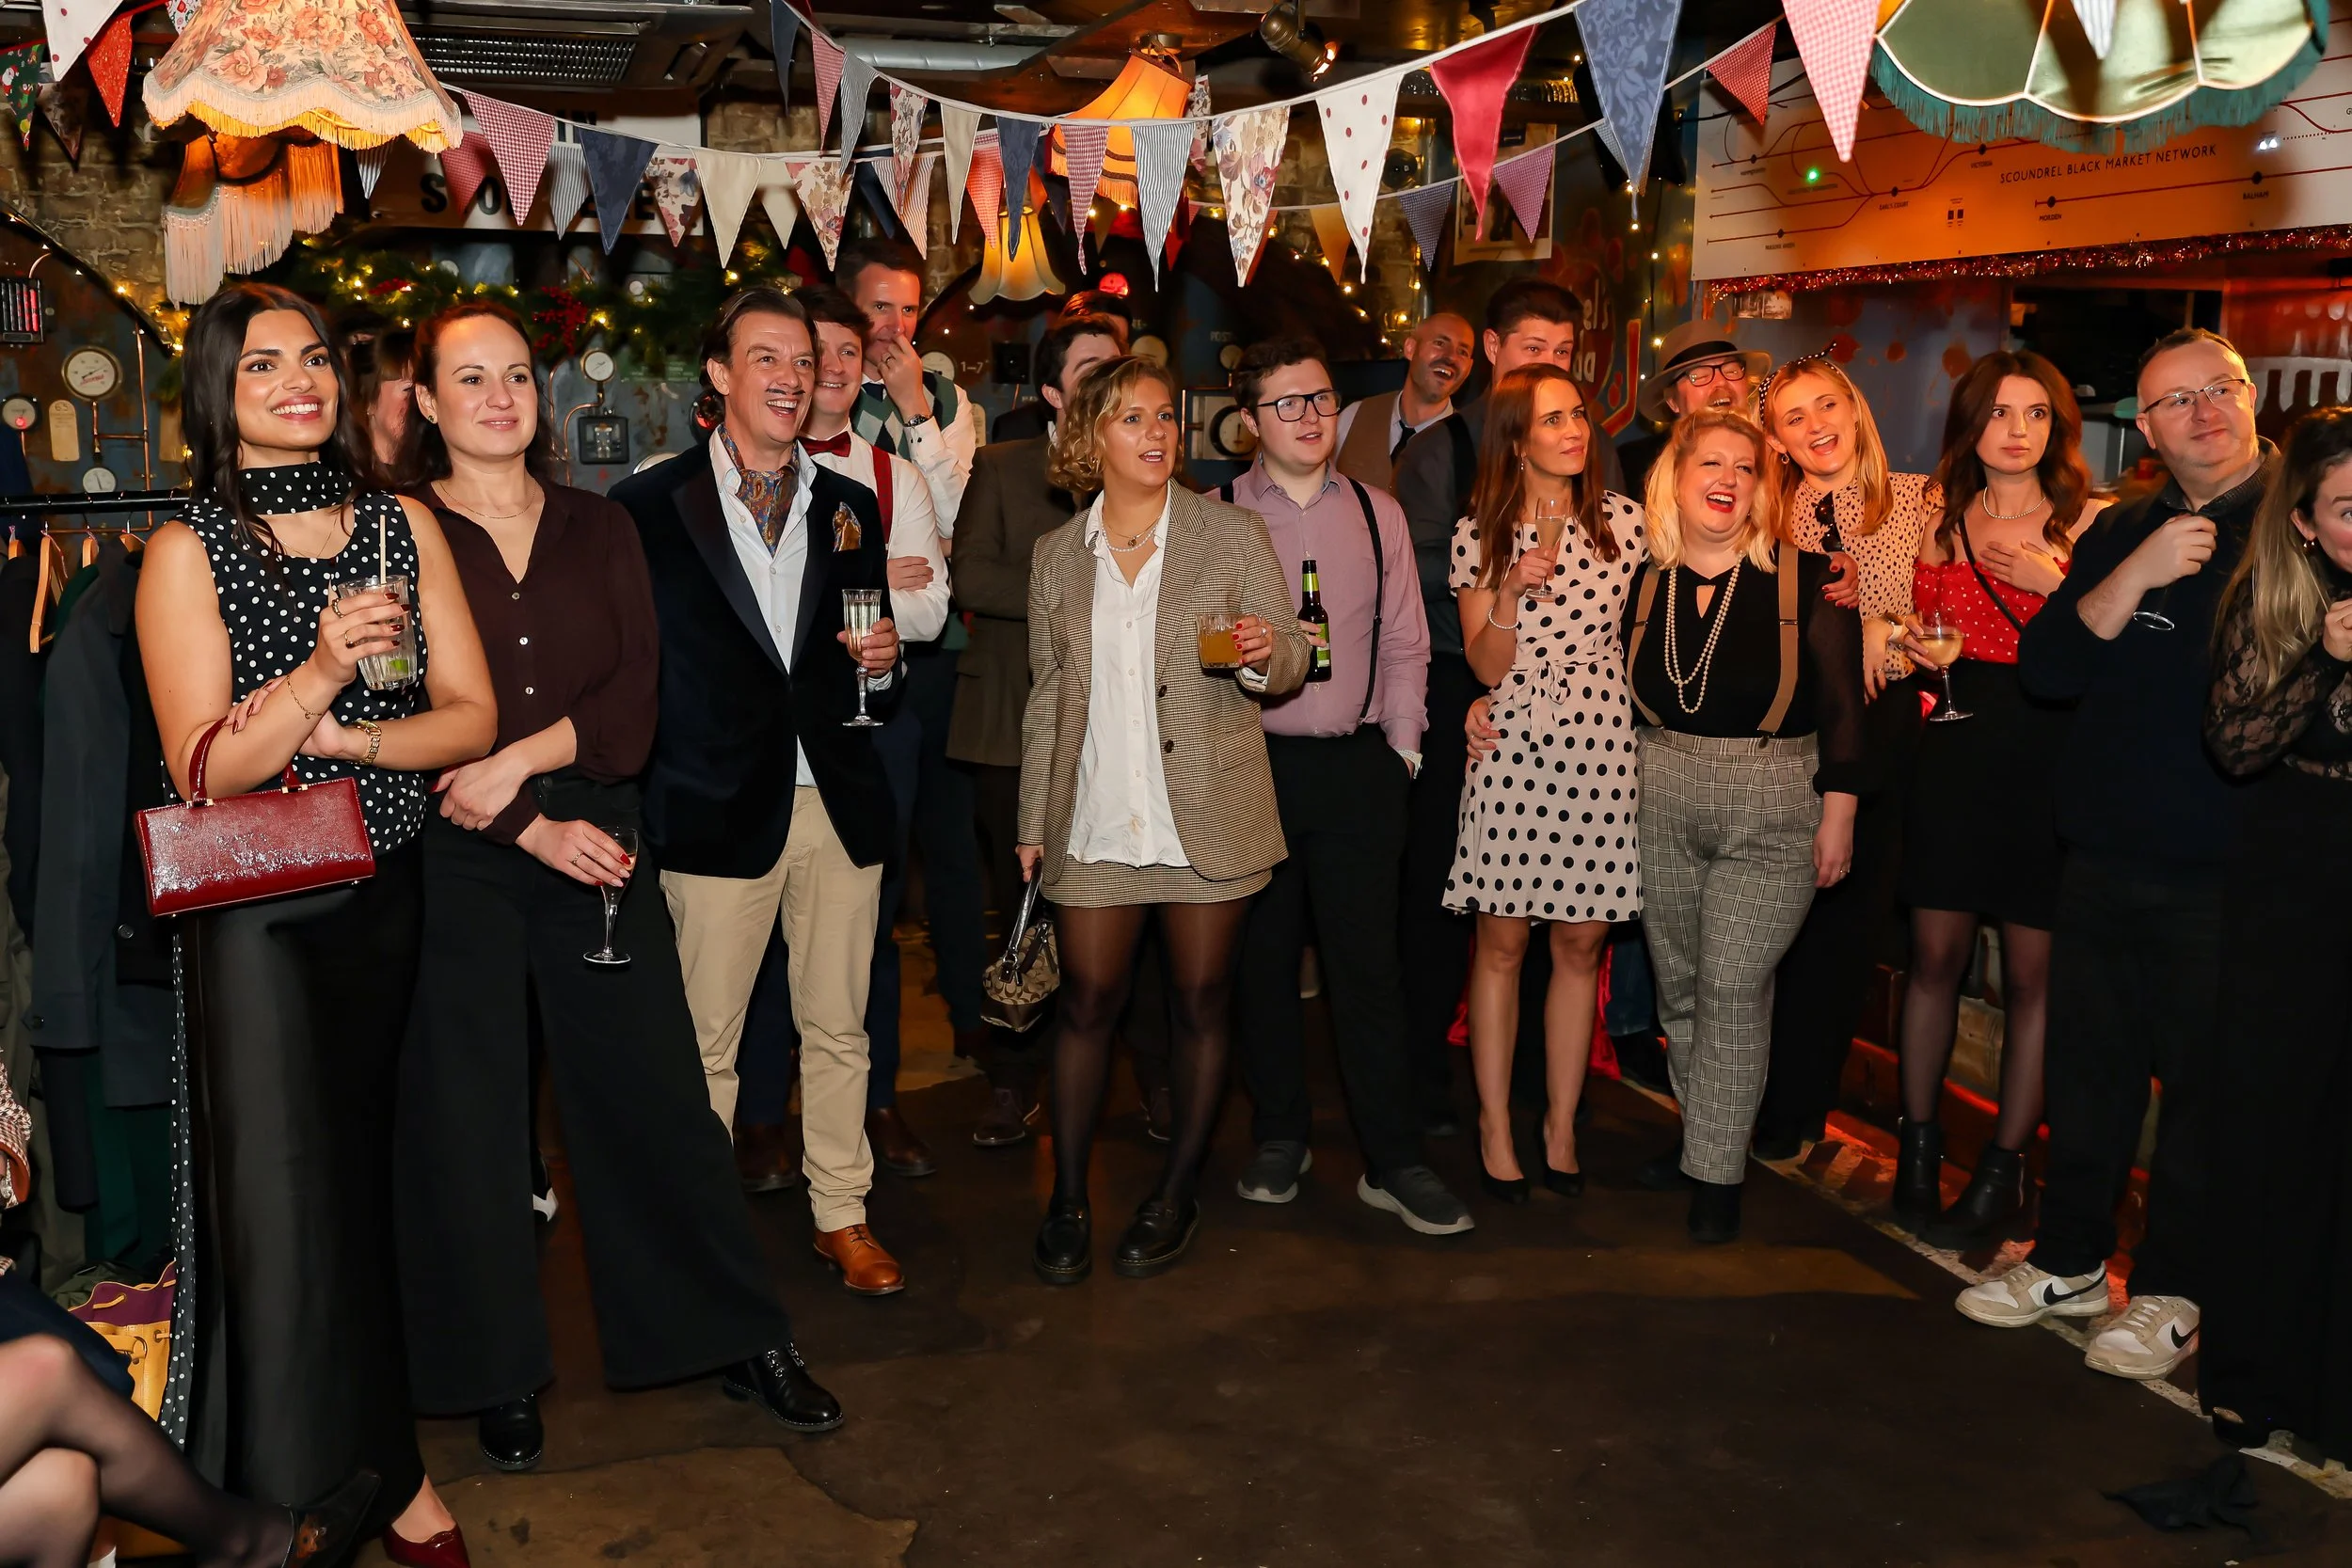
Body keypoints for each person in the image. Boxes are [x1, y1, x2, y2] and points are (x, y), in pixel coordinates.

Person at [389, 301, 838, 1477]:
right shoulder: (401, 533)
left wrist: (528, 766)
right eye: (470, 379)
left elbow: (636, 709)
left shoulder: (600, 526)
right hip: (461, 853)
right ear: (427, 403)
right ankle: (496, 1368)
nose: (500, 397)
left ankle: (737, 1334)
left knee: (657, 1100)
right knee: (473, 1118)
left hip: (600, 836)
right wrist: (529, 821)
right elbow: (396, 722)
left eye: (518, 376)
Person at [135, 283, 498, 1563]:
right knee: (284, 1212)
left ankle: (386, 1458)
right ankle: (295, 1500)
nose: (300, 381)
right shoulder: (188, 544)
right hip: (257, 921)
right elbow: (203, 767)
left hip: (382, 894)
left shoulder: (401, 523)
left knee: (364, 1192)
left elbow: (471, 716)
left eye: (313, 360)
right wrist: (322, 672)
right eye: (263, 366)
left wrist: (357, 735)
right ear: (218, 396)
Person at [1957, 327, 2270, 1383]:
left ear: (2250, 393)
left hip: (2229, 861)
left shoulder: (2298, 522)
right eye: (2175, 402)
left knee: (2201, 1087)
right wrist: (2133, 567)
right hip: (2100, 846)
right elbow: (2047, 665)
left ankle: (2177, 1288)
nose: (2203, 413)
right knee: (2088, 1071)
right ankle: (2072, 1257)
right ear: (2144, 426)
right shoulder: (2124, 526)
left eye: (2217, 390)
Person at [611, 288, 908, 1297]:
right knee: (705, 1041)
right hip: (710, 803)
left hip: (837, 794)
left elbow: (871, 673)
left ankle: (843, 1213)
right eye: (767, 357)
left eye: (807, 358)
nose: (792, 375)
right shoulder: (647, 509)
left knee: (838, 1023)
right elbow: (629, 665)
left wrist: (882, 662)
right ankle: (699, 1236)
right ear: (720, 376)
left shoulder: (848, 505)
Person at [1015, 356, 1308, 1283]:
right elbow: (1047, 695)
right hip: (1096, 811)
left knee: (1198, 1003)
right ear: (1090, 437)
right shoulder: (1058, 556)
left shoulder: (1229, 533)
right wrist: (1032, 819)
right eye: (1131, 417)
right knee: (1086, 1002)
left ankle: (1175, 1188)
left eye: (1163, 418)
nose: (1155, 432)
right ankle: (1066, 1195)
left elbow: (1292, 650)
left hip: (1205, 814)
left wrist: (1265, 654)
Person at [1217, 336, 1466, 1235]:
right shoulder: (1214, 515)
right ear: (1249, 421)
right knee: (1265, 964)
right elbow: (1199, 647)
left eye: (1321, 399)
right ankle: (1279, 1133)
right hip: (1257, 766)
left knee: (1371, 971)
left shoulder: (1377, 512)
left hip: (1362, 769)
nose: (1312, 416)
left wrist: (1402, 748)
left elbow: (1406, 640)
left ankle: (1392, 1158)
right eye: (1288, 403)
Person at [731, 286, 956, 1182]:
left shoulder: (888, 474)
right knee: (756, 923)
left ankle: (877, 1103)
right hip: (765, 730)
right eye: (806, 350)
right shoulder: (722, 470)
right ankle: (757, 1115)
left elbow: (932, 608)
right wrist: (867, 584)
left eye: (844, 353)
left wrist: (882, 593)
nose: (825, 368)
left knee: (867, 922)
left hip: (871, 724)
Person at [1622, 410, 1864, 1242]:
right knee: (1680, 984)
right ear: (1675, 479)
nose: (1728, 478)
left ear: (1764, 488)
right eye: (1710, 463)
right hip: (1661, 786)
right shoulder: (1645, 580)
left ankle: (1717, 1176)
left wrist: (1841, 811)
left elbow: (1841, 709)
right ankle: (1704, 1139)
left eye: (1746, 467)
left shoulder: (1809, 578)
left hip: (1775, 797)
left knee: (1732, 983)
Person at [1391, 279, 1623, 1134]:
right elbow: (1408, 587)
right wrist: (1481, 673)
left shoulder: (1598, 467)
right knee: (1453, 906)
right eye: (1533, 349)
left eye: (1563, 355)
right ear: (1493, 350)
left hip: (1581, 717)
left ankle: (1540, 1088)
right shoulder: (1442, 451)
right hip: (1464, 686)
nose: (1548, 370)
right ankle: (1427, 1083)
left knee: (1562, 920)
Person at [1893, 352, 2105, 1243]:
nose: (2017, 432)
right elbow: (1917, 629)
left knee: (2030, 977)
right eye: (1999, 414)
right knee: (1933, 958)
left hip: (2050, 751)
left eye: (2035, 415)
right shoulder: (1939, 520)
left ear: (2057, 429)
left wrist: (2057, 587)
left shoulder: (2089, 525)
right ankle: (1917, 1145)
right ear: (1970, 424)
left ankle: (2004, 1169)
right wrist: (1904, 641)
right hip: (1955, 746)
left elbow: (2115, 651)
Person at [1445, 364, 1645, 1203]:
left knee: (1580, 945)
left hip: (1603, 740)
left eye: (1579, 415)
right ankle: (1495, 1124)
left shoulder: (1627, 524)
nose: (1576, 431)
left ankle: (1561, 1123)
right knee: (1502, 946)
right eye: (1553, 419)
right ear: (1516, 440)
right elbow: (1486, 665)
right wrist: (1510, 593)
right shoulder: (1479, 533)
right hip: (1516, 737)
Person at [2201, 404, 2352, 1461]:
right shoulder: (2274, 599)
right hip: (2298, 888)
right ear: (2303, 523)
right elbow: (2235, 744)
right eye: (2349, 509)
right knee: (2278, 1133)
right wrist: (2323, 662)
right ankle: (2260, 1376)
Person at [947, 312, 1127, 1146]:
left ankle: (1126, 1073)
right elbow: (972, 576)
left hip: (1124, 728)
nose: (1108, 379)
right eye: (1091, 368)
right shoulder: (1004, 464)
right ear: (1053, 390)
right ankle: (1010, 1082)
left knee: (1115, 903)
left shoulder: (1153, 469)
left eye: (1118, 366)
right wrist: (1071, 591)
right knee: (1016, 908)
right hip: (1013, 722)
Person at [1751, 353, 1936, 1161]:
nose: (1816, 425)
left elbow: (1943, 619)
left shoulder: (1924, 495)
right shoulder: (1767, 509)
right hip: (1794, 735)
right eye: (1794, 416)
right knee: (1776, 935)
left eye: (1826, 405)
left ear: (1855, 409)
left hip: (1890, 731)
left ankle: (1797, 1108)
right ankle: (1748, 1096)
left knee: (1846, 936)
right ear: (1777, 439)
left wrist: (1879, 621)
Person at [836, 240, 993, 1159]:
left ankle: (970, 1014)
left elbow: (960, 518)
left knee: (952, 835)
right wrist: (891, 566)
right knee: (874, 865)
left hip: (939, 657)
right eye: (877, 309)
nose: (892, 327)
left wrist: (916, 416)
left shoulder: (940, 399)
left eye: (905, 309)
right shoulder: (818, 396)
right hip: (854, 657)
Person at [1620, 318, 1771, 504]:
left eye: (1731, 371)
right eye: (1700, 376)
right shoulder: (1633, 466)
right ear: (1673, 401)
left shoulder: (1773, 457)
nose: (1721, 382)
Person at [1333, 312, 1471, 490]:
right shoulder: (1354, 416)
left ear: (1469, 369)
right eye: (1440, 343)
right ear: (1410, 348)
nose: (1451, 357)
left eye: (1463, 352)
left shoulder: (1471, 444)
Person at [991, 298, 1130, 444]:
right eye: (1092, 368)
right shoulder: (1009, 450)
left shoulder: (1138, 443)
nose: (1109, 376)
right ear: (1054, 395)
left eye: (1115, 365)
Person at [351, 326, 415, 473]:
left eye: (430, 390)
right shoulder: (343, 483)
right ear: (369, 402)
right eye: (409, 389)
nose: (424, 402)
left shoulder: (444, 477)